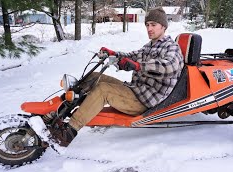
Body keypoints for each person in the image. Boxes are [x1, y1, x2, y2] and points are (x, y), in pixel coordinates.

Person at [50, 7, 184, 147]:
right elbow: (132, 56)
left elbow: (169, 66)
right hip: (135, 89)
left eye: (153, 25)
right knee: (94, 77)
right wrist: (114, 54)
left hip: (145, 100)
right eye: (147, 25)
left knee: (103, 90)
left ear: (163, 26)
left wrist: (138, 66)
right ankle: (58, 112)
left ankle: (69, 132)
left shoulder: (171, 47)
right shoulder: (150, 46)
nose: (149, 28)